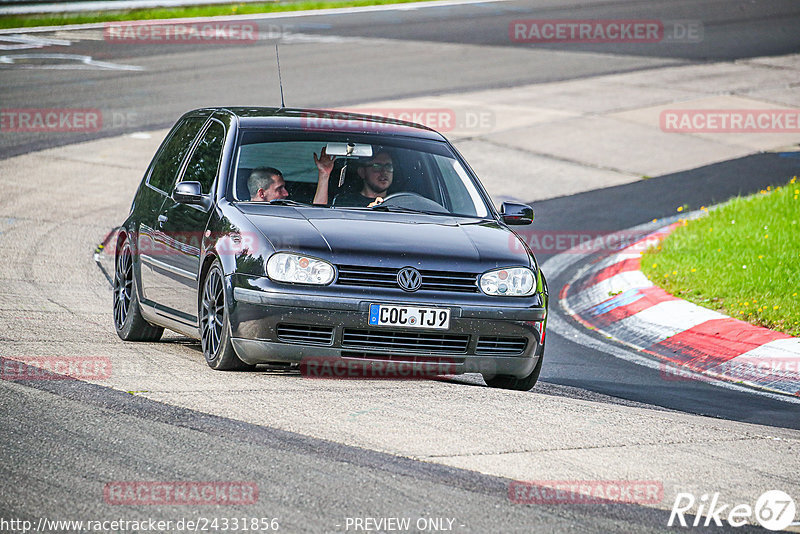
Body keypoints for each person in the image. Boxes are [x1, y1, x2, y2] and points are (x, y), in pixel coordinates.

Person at [312, 148, 394, 207]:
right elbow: (319, 214)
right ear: (362, 172)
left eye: (388, 166)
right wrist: (324, 174)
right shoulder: (345, 202)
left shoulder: (400, 204)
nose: (384, 172)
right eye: (377, 166)